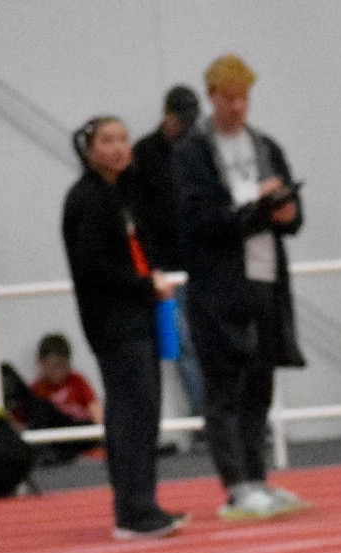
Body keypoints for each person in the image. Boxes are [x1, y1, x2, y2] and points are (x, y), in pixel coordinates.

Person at [174, 54, 311, 522]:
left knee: (259, 383)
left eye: (244, 98)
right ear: (212, 98)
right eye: (228, 98)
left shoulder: (266, 146)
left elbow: (291, 216)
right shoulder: (191, 153)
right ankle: (235, 485)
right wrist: (253, 209)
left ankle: (257, 478)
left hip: (266, 276)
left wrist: (287, 212)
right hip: (218, 283)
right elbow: (194, 224)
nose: (237, 107)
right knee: (224, 385)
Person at [62, 117, 187, 539]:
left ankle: (143, 502)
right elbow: (93, 267)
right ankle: (131, 511)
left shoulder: (121, 195)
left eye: (123, 139)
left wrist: (150, 279)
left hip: (137, 313)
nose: (118, 148)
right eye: (107, 141)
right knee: (131, 411)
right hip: (114, 321)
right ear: (89, 149)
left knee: (144, 409)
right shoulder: (87, 199)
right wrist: (143, 283)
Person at [128, 85, 208, 428]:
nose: (187, 127)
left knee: (206, 341)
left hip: (197, 261)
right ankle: (202, 414)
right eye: (182, 120)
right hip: (163, 266)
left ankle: (211, 415)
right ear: (167, 115)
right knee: (183, 345)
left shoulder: (198, 148)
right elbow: (136, 209)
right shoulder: (145, 153)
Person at [30, 333, 101, 424]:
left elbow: (96, 410)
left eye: (63, 366)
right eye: (54, 366)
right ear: (41, 363)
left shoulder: (77, 381)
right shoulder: (36, 390)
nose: (59, 372)